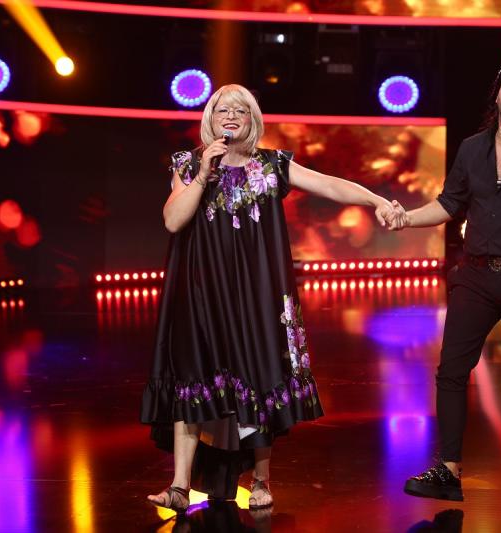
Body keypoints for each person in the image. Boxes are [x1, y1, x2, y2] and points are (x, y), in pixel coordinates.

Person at [141, 84, 398, 513]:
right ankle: (180, 486)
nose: (230, 116)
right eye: (222, 109)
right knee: (192, 375)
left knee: (259, 374)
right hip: (202, 292)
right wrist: (202, 174)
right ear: (210, 118)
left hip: (256, 291)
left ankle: (261, 479)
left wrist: (373, 199)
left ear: (252, 119)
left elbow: (328, 185)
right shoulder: (189, 164)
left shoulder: (272, 165)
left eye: (240, 110)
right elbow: (172, 220)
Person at [391, 60, 501, 509]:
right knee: (452, 370)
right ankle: (448, 470)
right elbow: (449, 203)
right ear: (497, 95)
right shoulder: (472, 148)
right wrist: (406, 219)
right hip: (475, 275)